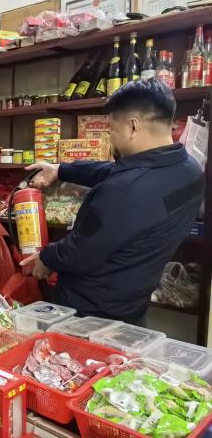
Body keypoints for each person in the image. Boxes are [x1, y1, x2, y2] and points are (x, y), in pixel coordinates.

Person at [22, 78, 204, 325]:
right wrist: (61, 169)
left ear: (133, 127)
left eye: (111, 130)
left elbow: (79, 252)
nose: (110, 138)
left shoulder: (122, 191)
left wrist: (46, 258)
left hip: (89, 315)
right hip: (132, 307)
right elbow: (115, 171)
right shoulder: (189, 170)